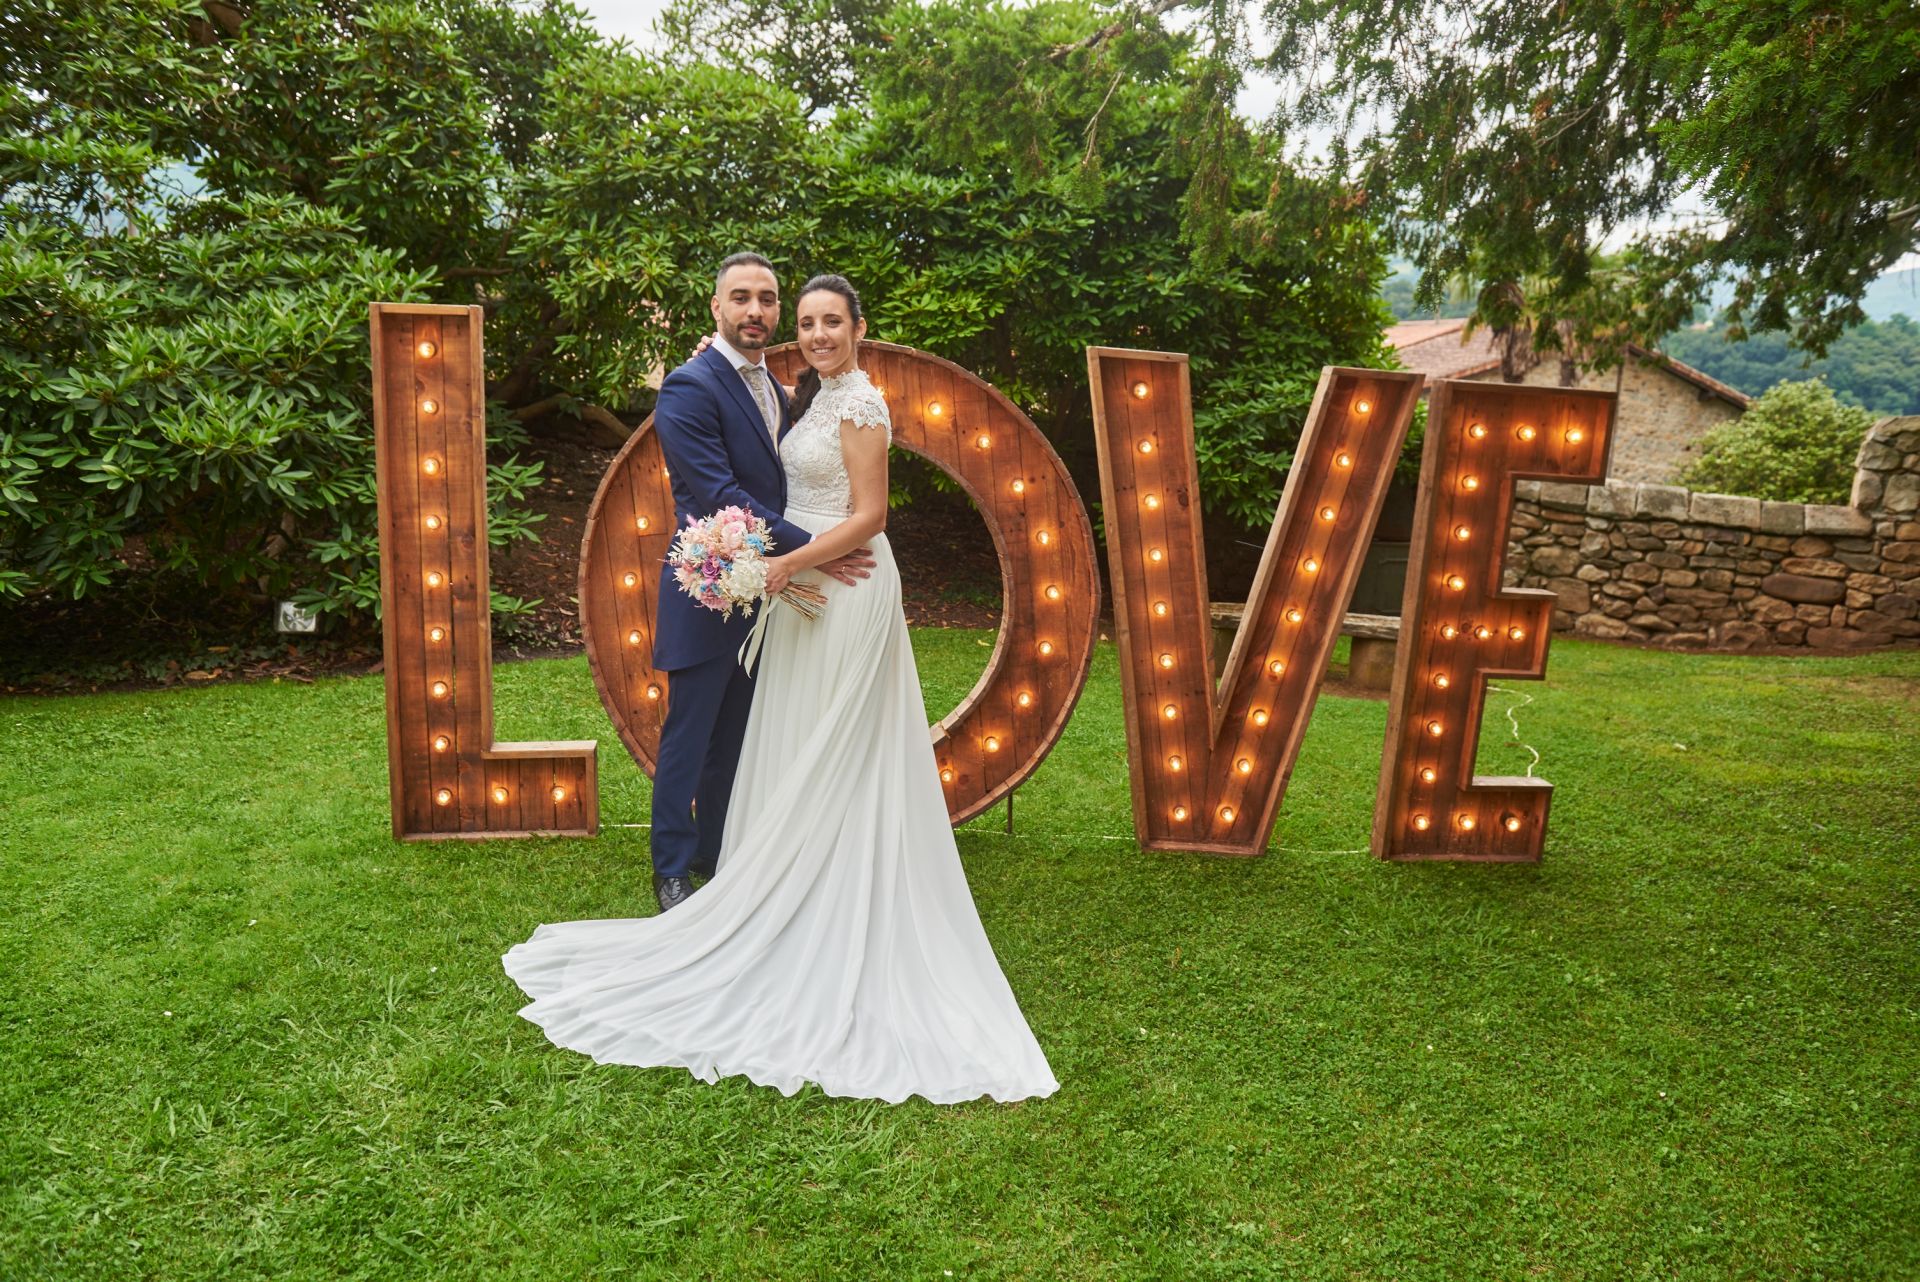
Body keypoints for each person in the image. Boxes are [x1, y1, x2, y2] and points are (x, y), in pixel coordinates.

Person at [502, 273, 1058, 1105]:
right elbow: (717, 491)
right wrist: (799, 561)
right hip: (774, 588)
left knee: (819, 742)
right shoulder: (732, 384)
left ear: (859, 327)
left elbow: (865, 511)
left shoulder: (842, 398)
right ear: (722, 310)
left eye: (818, 316)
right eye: (789, 313)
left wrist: (794, 562)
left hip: (826, 586)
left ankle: (809, 887)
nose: (800, 326)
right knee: (722, 735)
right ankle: (687, 875)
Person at [636, 252, 874, 914]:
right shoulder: (689, 386)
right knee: (690, 735)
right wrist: (821, 550)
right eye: (740, 298)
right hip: (713, 589)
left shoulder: (783, 386)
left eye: (767, 300)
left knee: (738, 737)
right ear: (716, 308)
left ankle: (720, 852)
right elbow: (718, 493)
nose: (755, 311)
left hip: (773, 596)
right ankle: (672, 868)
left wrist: (806, 554)